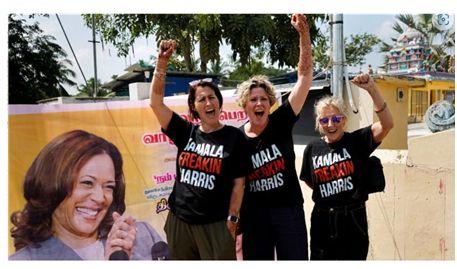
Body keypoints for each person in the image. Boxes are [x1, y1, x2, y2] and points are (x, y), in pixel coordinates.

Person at [149, 40, 252, 260]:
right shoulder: (185, 132)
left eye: (212, 97)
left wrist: (233, 219)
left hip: (215, 225)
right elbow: (156, 103)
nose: (208, 102)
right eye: (201, 99)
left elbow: (238, 184)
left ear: (219, 102)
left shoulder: (234, 138)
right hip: (179, 221)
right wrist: (161, 63)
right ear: (194, 107)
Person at [9, 130, 165, 260]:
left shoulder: (143, 235)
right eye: (87, 183)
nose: (99, 197)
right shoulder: (24, 261)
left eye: (108, 186)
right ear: (51, 186)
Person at [236, 13, 312, 260]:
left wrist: (304, 35)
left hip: (288, 210)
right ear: (245, 105)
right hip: (254, 215)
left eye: (263, 99)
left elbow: (304, 77)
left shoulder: (282, 120)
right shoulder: (236, 139)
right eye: (253, 99)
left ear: (270, 103)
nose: (259, 102)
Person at [299, 74, 394, 260]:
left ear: (343, 120)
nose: (330, 124)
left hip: (353, 219)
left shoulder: (357, 141)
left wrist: (372, 90)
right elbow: (311, 182)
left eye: (335, 119)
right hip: (322, 219)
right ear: (319, 124)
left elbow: (387, 124)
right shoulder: (312, 148)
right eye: (324, 120)